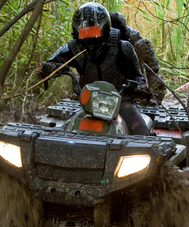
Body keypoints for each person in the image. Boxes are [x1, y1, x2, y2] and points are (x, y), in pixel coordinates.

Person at [40, 2, 150, 136]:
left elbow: (138, 76)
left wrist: (139, 87)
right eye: (84, 32)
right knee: (63, 134)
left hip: (120, 102)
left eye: (93, 31)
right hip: (88, 103)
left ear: (105, 29)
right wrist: (49, 68)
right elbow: (48, 64)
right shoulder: (72, 49)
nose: (90, 37)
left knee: (142, 134)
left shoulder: (123, 48)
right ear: (76, 32)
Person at [110, 12, 165, 101]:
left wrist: (148, 94)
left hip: (135, 85)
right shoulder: (103, 41)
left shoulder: (139, 44)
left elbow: (152, 72)